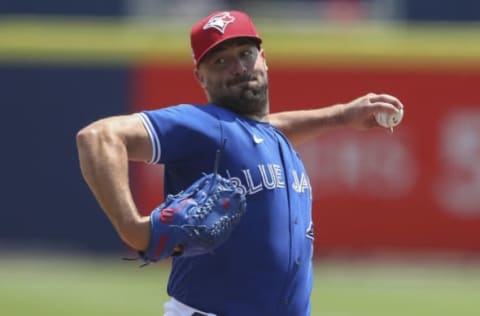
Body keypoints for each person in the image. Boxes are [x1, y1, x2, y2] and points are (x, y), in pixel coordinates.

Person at [77, 10, 404, 316]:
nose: (237, 67)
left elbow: (265, 128)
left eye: (245, 54)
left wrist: (341, 115)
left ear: (264, 59)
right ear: (200, 77)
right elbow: (98, 137)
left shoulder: (270, 137)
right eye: (220, 61)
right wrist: (132, 228)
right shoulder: (204, 125)